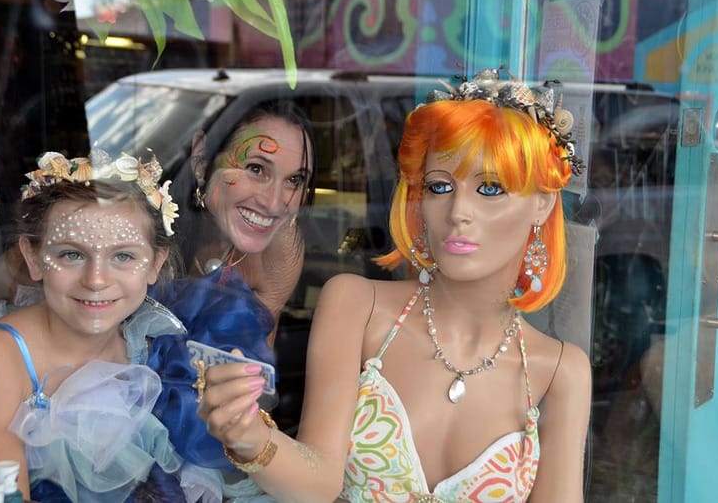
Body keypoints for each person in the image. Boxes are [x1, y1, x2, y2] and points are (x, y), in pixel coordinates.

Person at [197, 69, 592, 502]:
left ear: (542, 203)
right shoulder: (358, 306)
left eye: (491, 188)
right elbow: (318, 482)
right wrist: (251, 437)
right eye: (439, 186)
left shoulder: (559, 373)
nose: (458, 210)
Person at [0, 150, 185, 502]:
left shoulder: (147, 347)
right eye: (71, 254)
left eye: (123, 256)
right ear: (34, 258)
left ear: (155, 263)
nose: (96, 280)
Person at [145, 99, 316, 501]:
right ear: (203, 158)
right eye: (256, 169)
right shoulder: (151, 223)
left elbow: (253, 381)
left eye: (294, 180)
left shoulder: (279, 247)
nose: (275, 203)